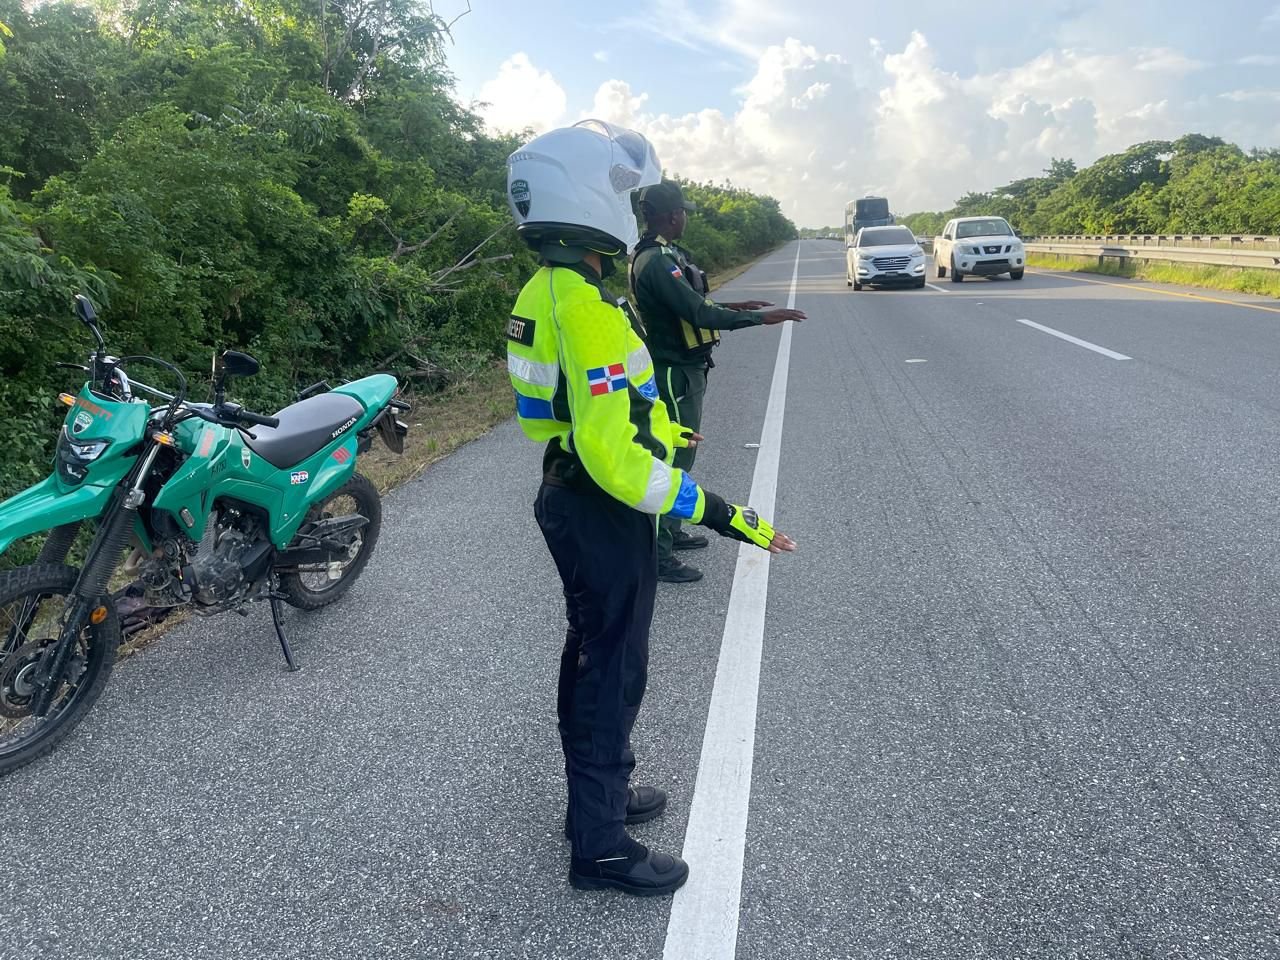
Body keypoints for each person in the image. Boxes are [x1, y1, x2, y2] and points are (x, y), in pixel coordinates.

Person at [505, 120, 797, 897]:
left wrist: (666, 427)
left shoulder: (551, 288)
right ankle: (599, 846)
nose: (632, 210)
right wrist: (717, 509)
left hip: (568, 490)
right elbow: (613, 456)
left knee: (593, 657)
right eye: (621, 195)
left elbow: (583, 411)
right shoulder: (592, 309)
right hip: (601, 506)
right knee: (611, 671)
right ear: (590, 199)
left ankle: (594, 804)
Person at [631, 180, 805, 584]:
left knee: (683, 455)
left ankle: (670, 532)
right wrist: (759, 318)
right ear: (672, 215)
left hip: (685, 366)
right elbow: (699, 314)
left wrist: (737, 305)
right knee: (674, 458)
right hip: (674, 371)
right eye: (683, 212)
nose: (686, 217)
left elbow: (693, 305)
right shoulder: (656, 261)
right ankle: (657, 554)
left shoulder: (660, 255)